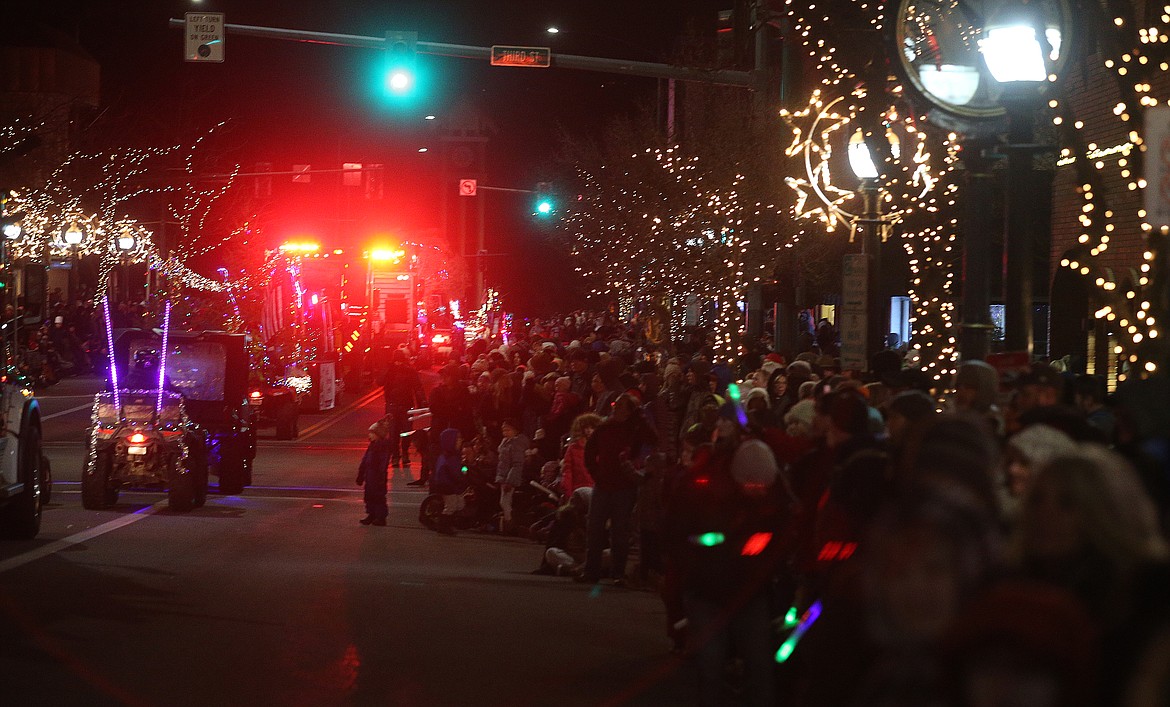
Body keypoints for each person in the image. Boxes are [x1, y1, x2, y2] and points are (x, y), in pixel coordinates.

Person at [578, 393, 656, 586]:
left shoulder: (635, 429)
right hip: (603, 485)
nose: (616, 408)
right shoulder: (605, 428)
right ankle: (591, 570)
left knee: (619, 531)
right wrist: (596, 473)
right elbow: (590, 451)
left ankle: (618, 573)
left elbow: (653, 439)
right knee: (595, 528)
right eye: (616, 405)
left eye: (621, 406)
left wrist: (641, 418)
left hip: (624, 486)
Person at [381, 350, 427, 467]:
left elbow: (417, 387)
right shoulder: (391, 371)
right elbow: (379, 381)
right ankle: (396, 456)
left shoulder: (409, 371)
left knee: (405, 432)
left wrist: (422, 402)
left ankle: (403, 454)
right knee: (394, 433)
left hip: (403, 406)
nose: (398, 363)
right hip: (394, 405)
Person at [355, 415, 394, 526]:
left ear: (378, 435)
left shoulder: (382, 447)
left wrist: (381, 477)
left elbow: (383, 463)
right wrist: (361, 474)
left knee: (378, 496)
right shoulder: (372, 446)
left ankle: (380, 517)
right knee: (369, 496)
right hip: (370, 476)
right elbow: (365, 460)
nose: (369, 435)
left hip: (377, 477)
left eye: (372, 433)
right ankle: (371, 514)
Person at [495, 418, 530, 534]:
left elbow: (517, 464)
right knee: (504, 501)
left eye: (508, 430)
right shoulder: (505, 442)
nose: (505, 433)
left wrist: (510, 481)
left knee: (504, 502)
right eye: (503, 430)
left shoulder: (516, 444)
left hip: (508, 478)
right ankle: (507, 522)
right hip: (503, 476)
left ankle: (509, 522)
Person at [430, 428, 467, 535]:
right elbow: (455, 472)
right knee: (451, 506)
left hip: (449, 484)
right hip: (447, 485)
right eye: (458, 439)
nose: (460, 441)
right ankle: (443, 526)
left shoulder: (451, 456)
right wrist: (463, 476)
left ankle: (448, 523)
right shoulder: (450, 457)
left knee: (457, 504)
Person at [561, 413, 601, 498]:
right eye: (586, 428)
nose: (589, 430)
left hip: (597, 491)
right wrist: (568, 492)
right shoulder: (573, 448)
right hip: (578, 491)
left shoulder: (602, 448)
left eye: (592, 427)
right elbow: (567, 470)